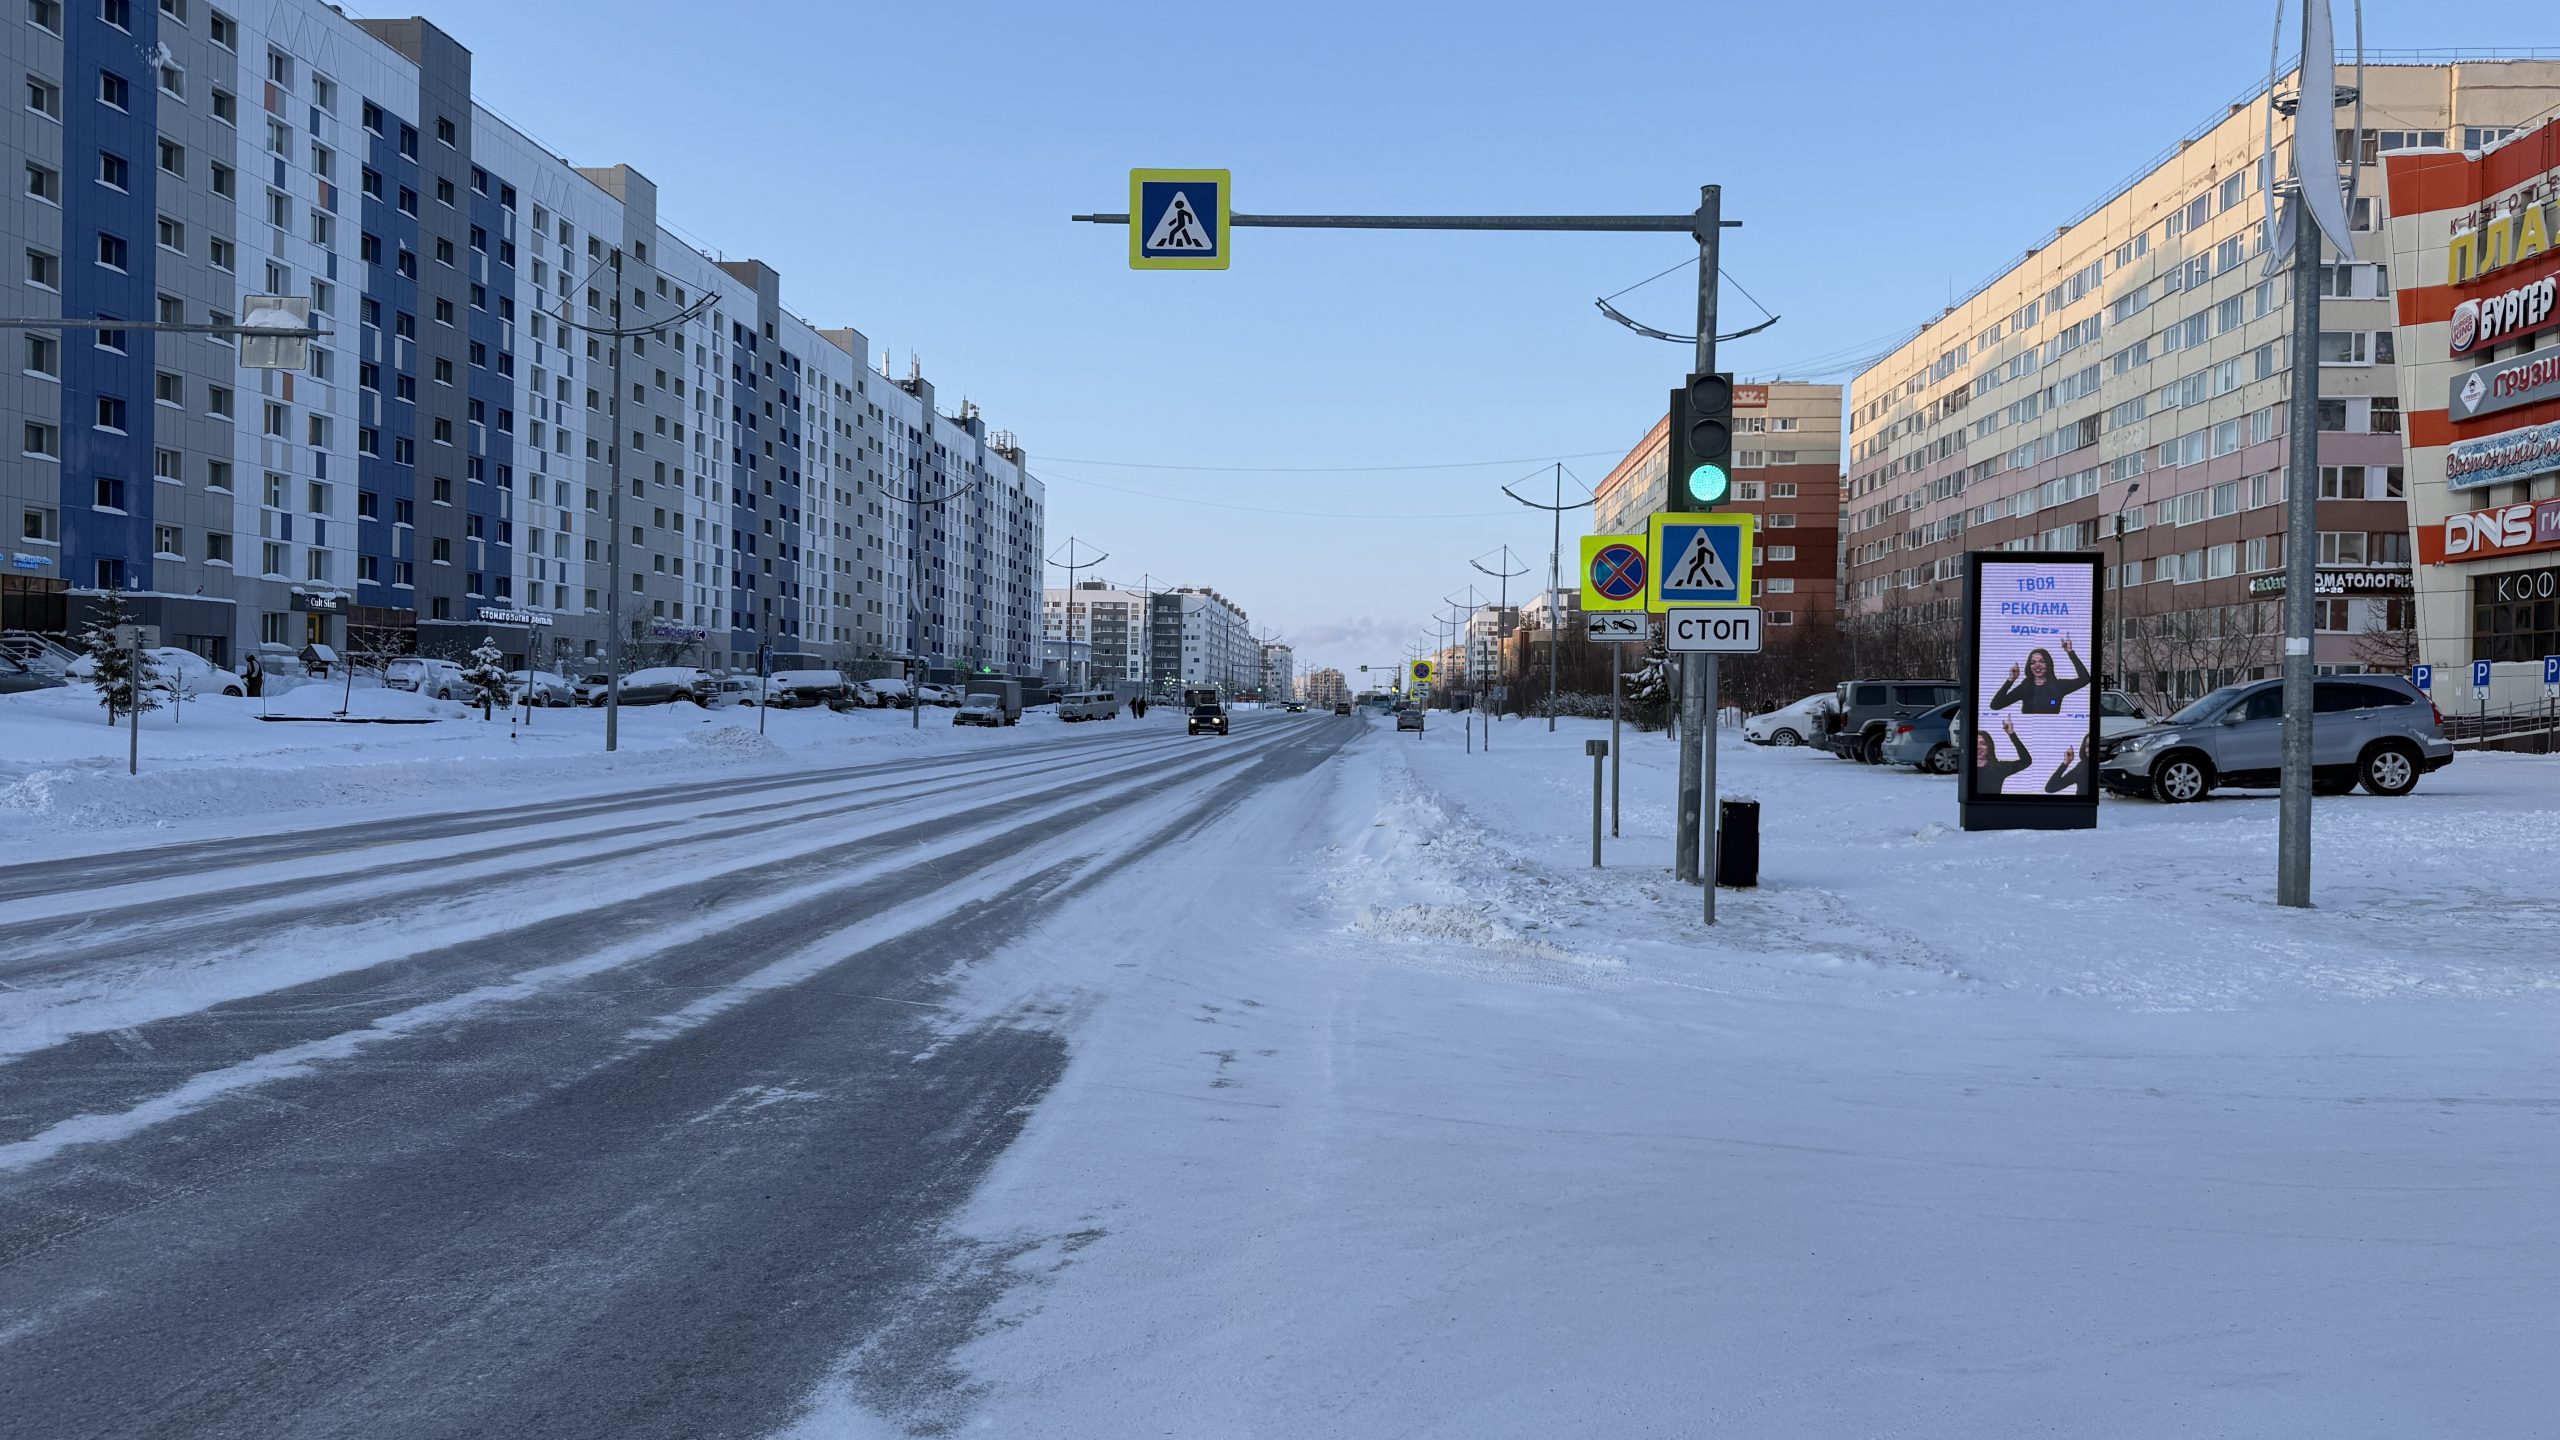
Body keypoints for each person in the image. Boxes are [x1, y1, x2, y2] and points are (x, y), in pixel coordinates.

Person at [1989, 638, 2090, 714]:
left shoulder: (2059, 686)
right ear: (2029, 666)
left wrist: (2070, 652)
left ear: (2048, 664)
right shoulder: (2025, 688)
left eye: (2042, 661)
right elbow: (1995, 705)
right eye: (2033, 662)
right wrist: (2011, 680)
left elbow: (2085, 679)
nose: (2037, 665)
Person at [1974, 720, 2033, 794]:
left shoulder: (1999, 768)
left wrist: (2011, 734)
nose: (1978, 747)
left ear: (1989, 747)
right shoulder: (1966, 768)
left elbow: (2026, 761)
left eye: (1982, 743)